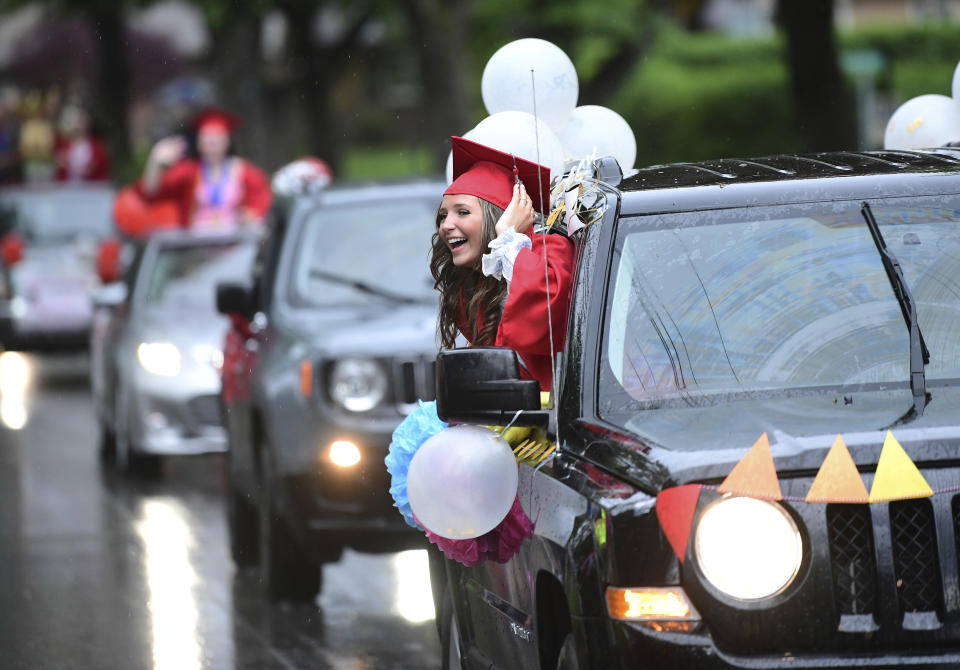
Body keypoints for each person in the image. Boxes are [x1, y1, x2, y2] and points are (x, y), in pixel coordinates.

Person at [430, 136, 575, 391]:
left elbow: (546, 319)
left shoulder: (550, 251)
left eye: (462, 212)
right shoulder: (473, 283)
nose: (446, 225)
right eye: (443, 215)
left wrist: (508, 237)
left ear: (496, 216)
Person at [136, 107, 271, 231]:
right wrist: (155, 161)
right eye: (206, 139)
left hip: (236, 249)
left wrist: (251, 217)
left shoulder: (245, 172)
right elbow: (150, 193)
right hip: (198, 249)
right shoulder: (189, 172)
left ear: (227, 141)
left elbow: (261, 206)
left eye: (216, 139)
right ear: (199, 143)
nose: (211, 145)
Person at [54, 104, 111, 182]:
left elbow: (94, 167)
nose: (79, 124)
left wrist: (69, 166)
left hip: (91, 189)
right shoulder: (64, 144)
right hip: (66, 188)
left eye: (82, 120)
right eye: (77, 120)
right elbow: (58, 164)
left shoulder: (97, 146)